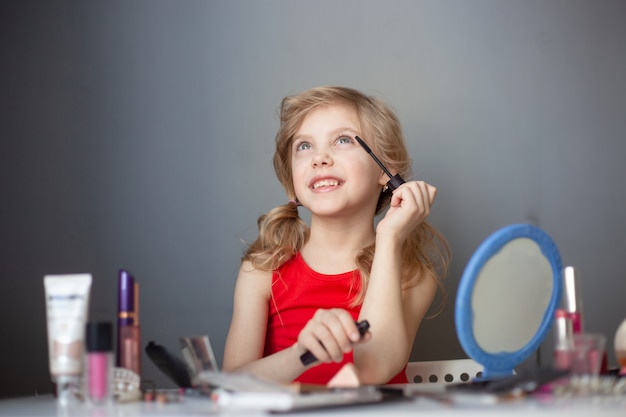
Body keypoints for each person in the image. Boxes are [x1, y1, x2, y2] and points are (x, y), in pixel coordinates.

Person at [223, 86, 450, 385]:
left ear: (386, 171)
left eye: (343, 140)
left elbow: (371, 369)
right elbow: (231, 387)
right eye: (304, 146)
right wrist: (301, 354)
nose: (319, 158)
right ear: (291, 182)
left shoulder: (411, 276)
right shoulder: (262, 269)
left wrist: (390, 237)